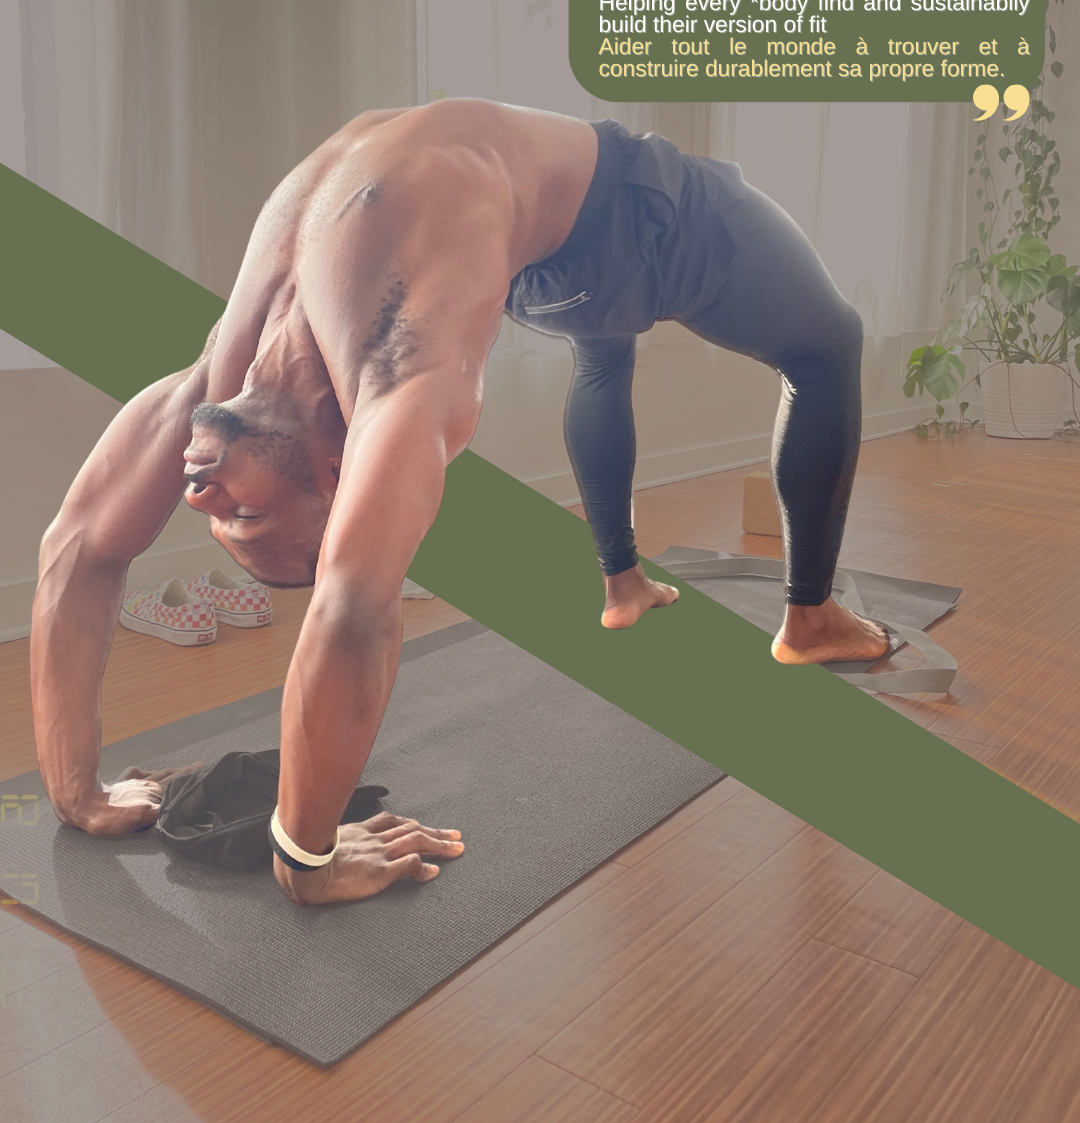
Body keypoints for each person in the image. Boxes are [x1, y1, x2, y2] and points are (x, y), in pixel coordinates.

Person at [30, 98, 887, 905]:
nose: (205, 498)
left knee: (624, 349)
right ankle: (805, 622)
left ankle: (632, 589)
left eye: (242, 520)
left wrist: (301, 850)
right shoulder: (347, 371)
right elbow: (83, 546)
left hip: (594, 228)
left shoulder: (246, 376)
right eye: (228, 514)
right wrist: (81, 792)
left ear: (341, 476)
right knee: (825, 343)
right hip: (585, 238)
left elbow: (349, 601)